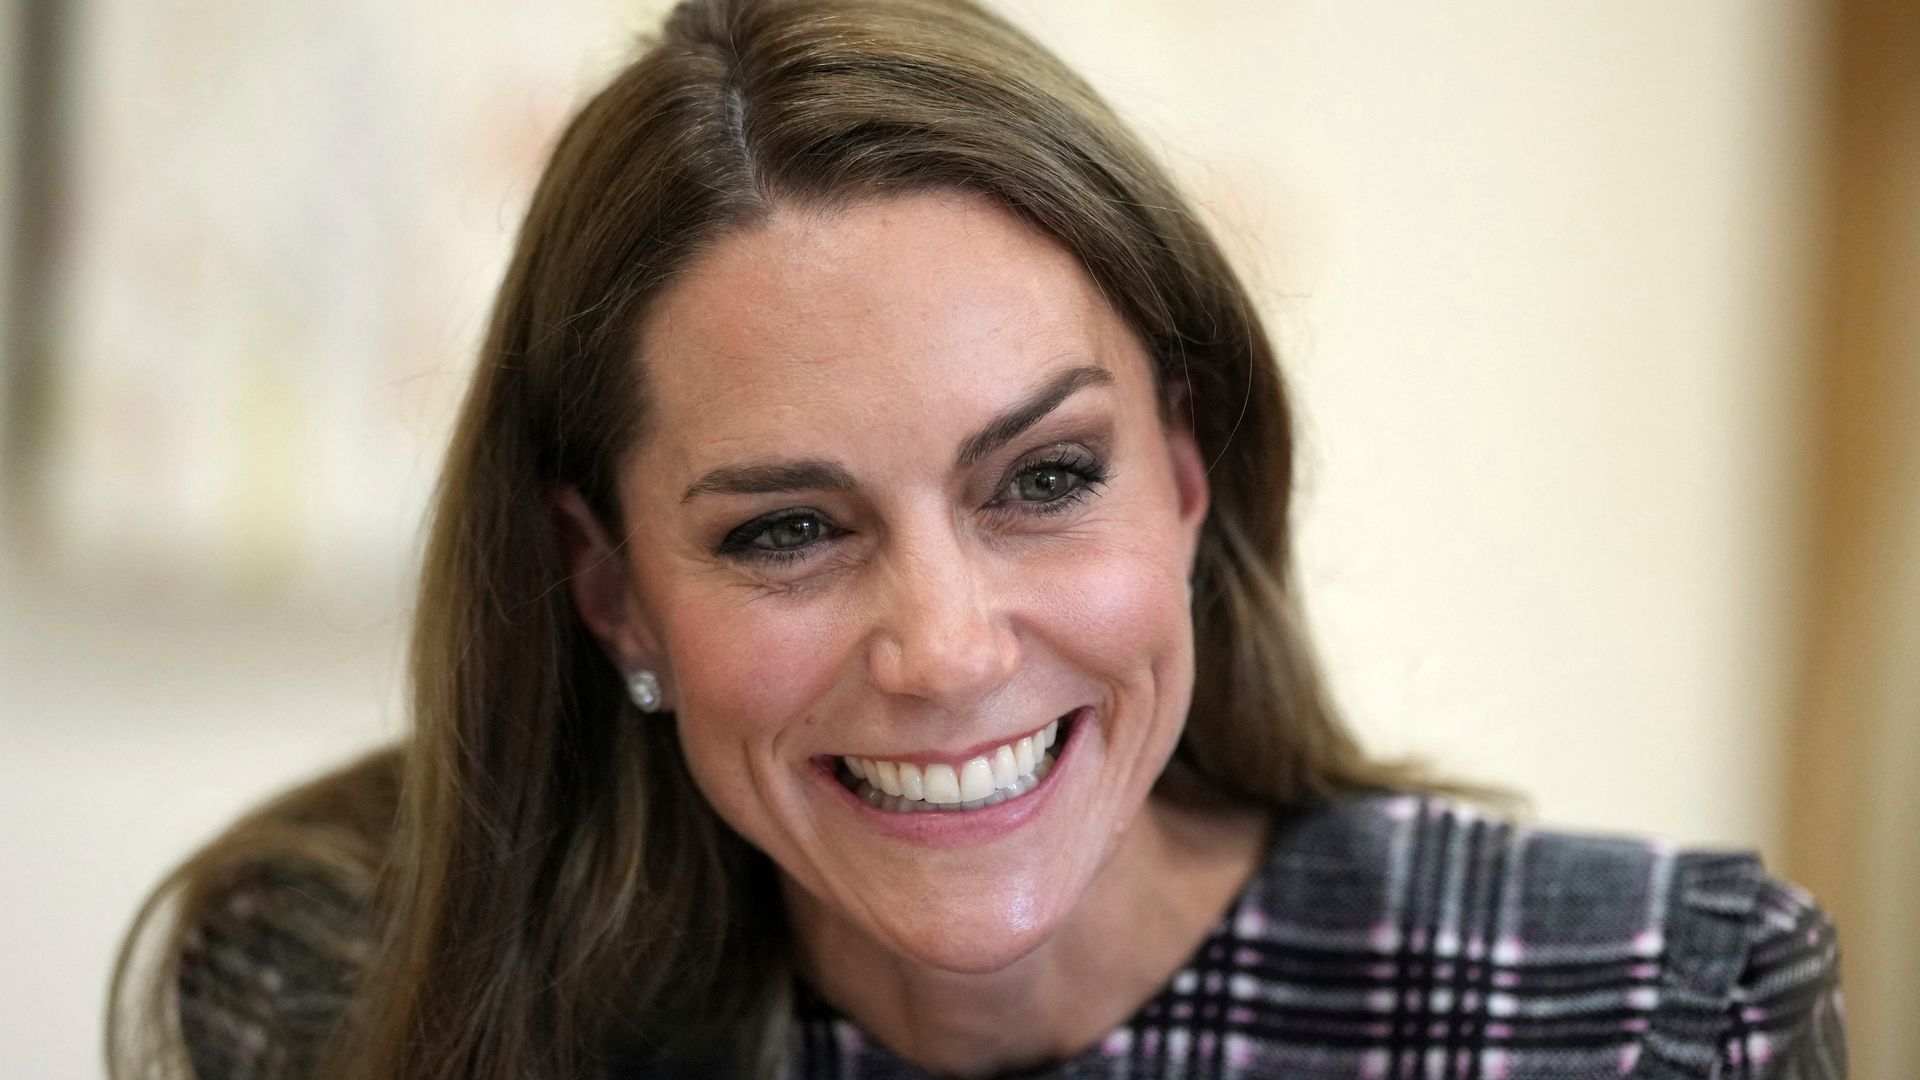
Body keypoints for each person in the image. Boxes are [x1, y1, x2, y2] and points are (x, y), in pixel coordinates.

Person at [107, 1, 1846, 1077]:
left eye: (1041, 478)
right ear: (610, 587)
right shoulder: (334, 998)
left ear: (1187, 468)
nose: (944, 648)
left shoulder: (1643, 1020)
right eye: (789, 527)